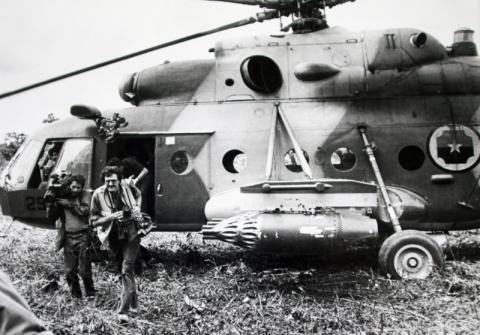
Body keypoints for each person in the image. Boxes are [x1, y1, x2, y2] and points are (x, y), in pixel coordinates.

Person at [90, 166, 142, 323]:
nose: (110, 184)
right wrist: (110, 217)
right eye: (107, 181)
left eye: (113, 181)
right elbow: (94, 221)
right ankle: (133, 302)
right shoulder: (98, 195)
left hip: (132, 233)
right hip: (113, 236)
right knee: (123, 271)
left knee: (127, 268)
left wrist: (138, 207)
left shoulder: (127, 186)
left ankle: (123, 311)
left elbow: (139, 194)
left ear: (119, 181)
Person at [47, 174, 95, 298]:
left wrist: (69, 204)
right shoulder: (63, 196)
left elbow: (85, 210)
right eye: (73, 187)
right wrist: (52, 204)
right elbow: (52, 217)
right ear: (69, 186)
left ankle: (91, 294)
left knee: (84, 271)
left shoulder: (85, 195)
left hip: (83, 236)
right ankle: (76, 296)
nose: (75, 190)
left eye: (78, 188)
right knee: (70, 271)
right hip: (68, 237)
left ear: (82, 187)